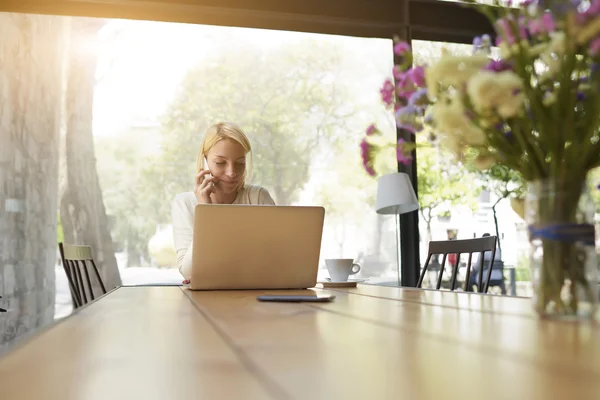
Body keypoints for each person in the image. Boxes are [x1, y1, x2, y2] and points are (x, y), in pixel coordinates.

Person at [171, 122, 275, 283]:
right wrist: (205, 211)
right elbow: (189, 272)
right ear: (205, 161)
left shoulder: (258, 197)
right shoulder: (184, 203)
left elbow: (276, 261)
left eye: (240, 163)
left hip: (253, 293)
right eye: (220, 163)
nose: (232, 172)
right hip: (206, 300)